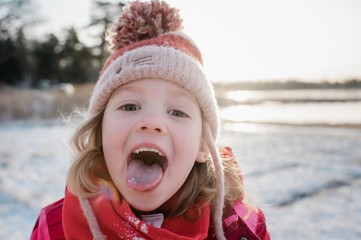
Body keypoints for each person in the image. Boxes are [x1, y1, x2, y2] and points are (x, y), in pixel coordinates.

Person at [31, 0, 270, 239]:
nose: (152, 121)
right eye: (130, 106)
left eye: (177, 112)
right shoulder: (54, 228)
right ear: (100, 133)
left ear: (202, 146)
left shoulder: (240, 228)